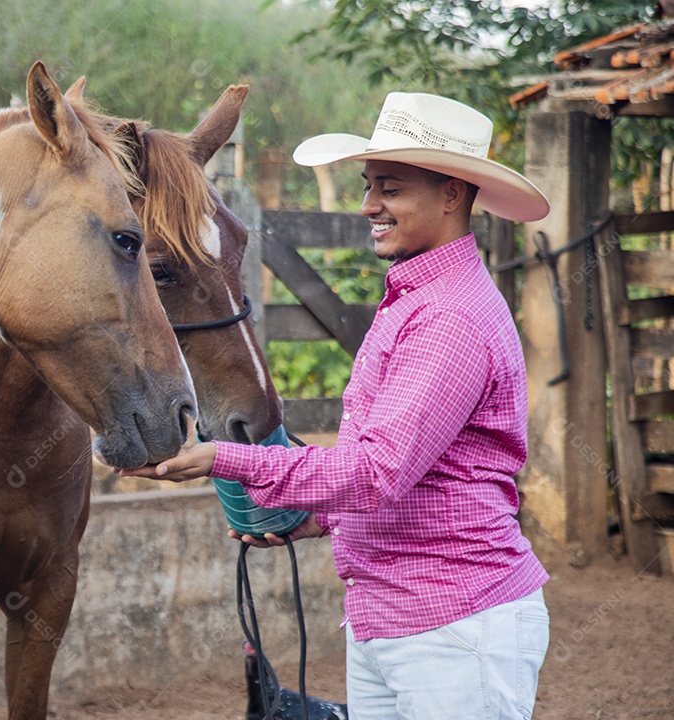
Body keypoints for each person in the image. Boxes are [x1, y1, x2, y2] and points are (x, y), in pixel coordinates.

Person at [121, 92, 552, 719]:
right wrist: (314, 520)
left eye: (392, 189)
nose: (368, 205)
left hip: (453, 628)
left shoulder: (449, 319)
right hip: (397, 618)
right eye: (369, 184)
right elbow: (420, 480)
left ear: (453, 194)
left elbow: (375, 472)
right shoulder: (415, 298)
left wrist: (225, 459)